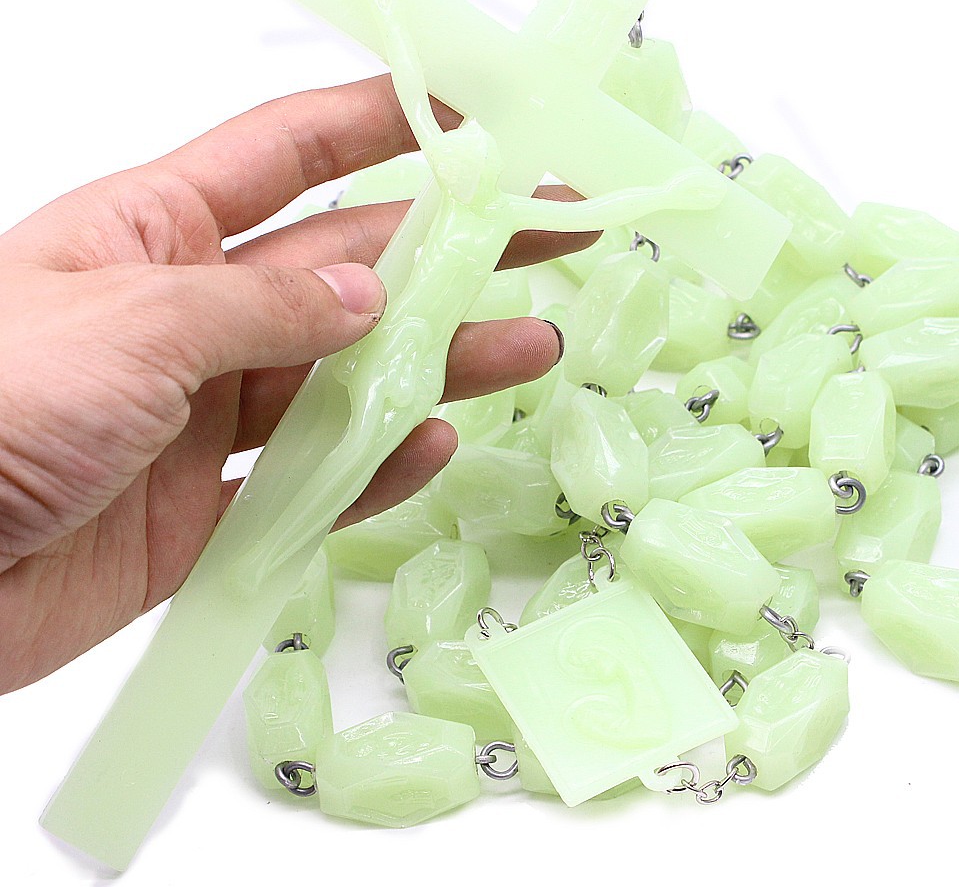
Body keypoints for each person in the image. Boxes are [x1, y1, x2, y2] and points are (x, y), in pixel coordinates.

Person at [0, 75, 593, 696]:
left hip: (414, 365)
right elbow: (421, 113)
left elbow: (587, 212)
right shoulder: (454, 181)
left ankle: (265, 556)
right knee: (341, 456)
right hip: (378, 351)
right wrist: (401, 42)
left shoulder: (506, 211)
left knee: (355, 461)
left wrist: (657, 191)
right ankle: (263, 556)